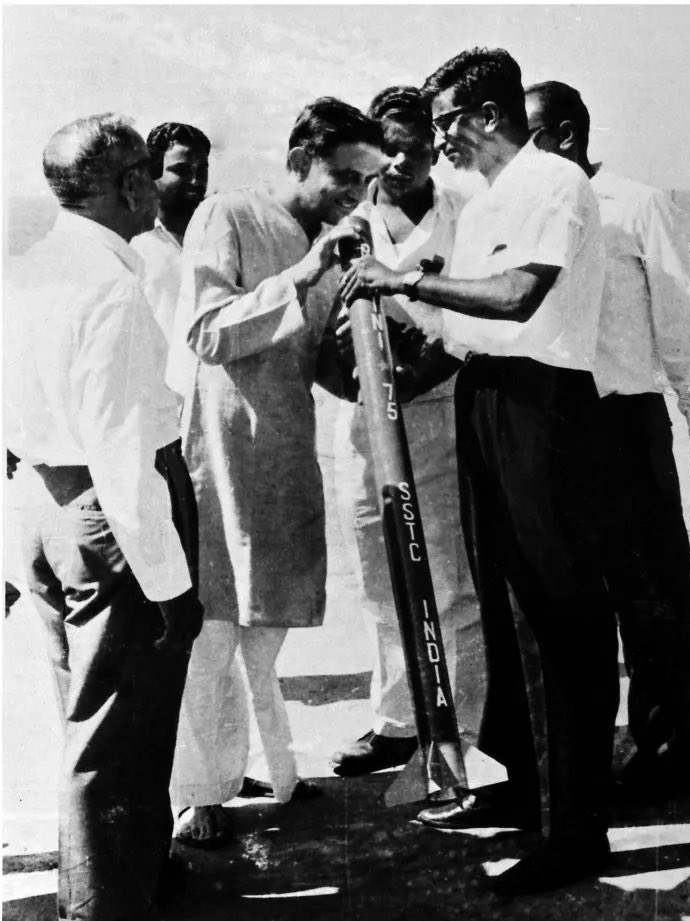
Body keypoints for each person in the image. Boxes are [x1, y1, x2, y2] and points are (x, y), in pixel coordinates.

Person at [340, 48, 617, 894]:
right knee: (507, 609)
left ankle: (577, 830)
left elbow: (515, 297)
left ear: (486, 116)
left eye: (449, 122)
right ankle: (532, 791)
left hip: (546, 406)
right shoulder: (492, 196)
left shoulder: (555, 184)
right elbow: (467, 325)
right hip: (488, 397)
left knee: (562, 617)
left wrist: (407, 276)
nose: (442, 140)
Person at [4, 113, 203, 921]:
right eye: (149, 174)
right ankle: (102, 905)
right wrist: (170, 586)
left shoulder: (29, 270)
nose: (158, 187)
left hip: (41, 502)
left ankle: (135, 871)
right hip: (107, 508)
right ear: (127, 186)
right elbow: (124, 457)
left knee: (92, 710)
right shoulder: (113, 289)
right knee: (115, 729)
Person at [169, 97, 383, 847]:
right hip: (222, 451)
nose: (356, 197)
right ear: (298, 161)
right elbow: (206, 332)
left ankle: (275, 770)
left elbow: (323, 361)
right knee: (215, 632)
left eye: (368, 184)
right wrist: (305, 270)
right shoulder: (226, 213)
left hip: (287, 450)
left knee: (268, 629)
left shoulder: (324, 243)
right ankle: (200, 793)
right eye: (345, 178)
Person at [523, 80, 690, 800]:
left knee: (654, 607)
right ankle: (576, 764)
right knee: (568, 606)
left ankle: (664, 760)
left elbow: (680, 319)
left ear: (563, 134)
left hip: (625, 423)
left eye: (528, 135)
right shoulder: (526, 211)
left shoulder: (637, 204)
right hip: (550, 430)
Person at [330, 85, 485, 777]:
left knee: (453, 578)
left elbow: (475, 323)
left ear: (435, 145)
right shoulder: (347, 221)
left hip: (445, 413)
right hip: (365, 423)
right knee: (380, 575)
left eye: (415, 145)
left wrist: (416, 375)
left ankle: (470, 724)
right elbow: (320, 333)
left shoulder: (468, 214)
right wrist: (363, 383)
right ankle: (397, 720)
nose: (401, 160)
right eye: (386, 147)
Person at [130, 122, 211, 392]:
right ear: (153, 172)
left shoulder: (217, 237)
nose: (196, 181)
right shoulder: (134, 243)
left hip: (209, 405)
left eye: (202, 171)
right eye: (182, 170)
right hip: (156, 410)